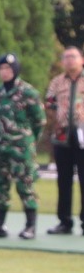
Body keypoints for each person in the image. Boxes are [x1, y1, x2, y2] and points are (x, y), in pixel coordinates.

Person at [0, 53, 45, 239]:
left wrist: (28, 140)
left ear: (15, 70)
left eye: (8, 68)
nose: (4, 72)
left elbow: (39, 121)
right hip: (0, 148)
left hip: (21, 148)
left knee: (25, 186)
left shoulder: (28, 92)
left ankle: (30, 226)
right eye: (1, 69)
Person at [44, 46, 84, 235]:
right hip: (62, 136)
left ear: (81, 59)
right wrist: (58, 118)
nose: (69, 60)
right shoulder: (57, 81)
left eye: (73, 56)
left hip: (83, 135)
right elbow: (49, 103)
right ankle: (64, 221)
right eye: (66, 57)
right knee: (64, 180)